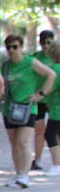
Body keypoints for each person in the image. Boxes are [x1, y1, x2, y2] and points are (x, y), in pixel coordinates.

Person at [0, 34, 56, 188]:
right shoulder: (5, 65)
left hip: (28, 108)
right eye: (9, 47)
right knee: (14, 143)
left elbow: (51, 75)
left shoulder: (30, 62)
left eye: (15, 46)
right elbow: (1, 83)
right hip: (9, 109)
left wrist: (41, 94)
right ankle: (18, 174)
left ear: (21, 47)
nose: (12, 50)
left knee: (23, 141)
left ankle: (24, 175)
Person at [32, 30, 54, 171]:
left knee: (55, 132)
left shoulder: (56, 57)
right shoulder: (35, 57)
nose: (45, 45)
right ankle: (38, 160)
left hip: (53, 100)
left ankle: (56, 161)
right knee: (39, 130)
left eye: (48, 42)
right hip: (39, 99)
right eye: (43, 42)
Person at [41, 39, 60, 175]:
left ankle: (56, 165)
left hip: (57, 109)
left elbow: (50, 87)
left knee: (50, 134)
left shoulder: (55, 69)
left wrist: (40, 94)